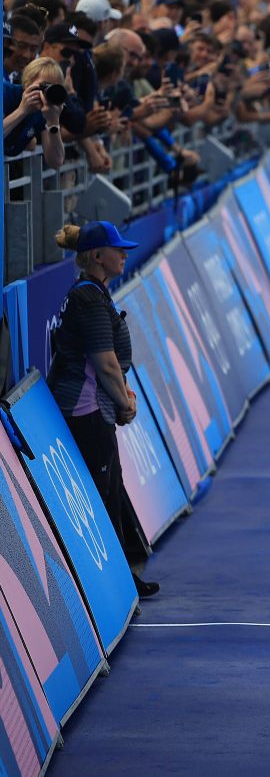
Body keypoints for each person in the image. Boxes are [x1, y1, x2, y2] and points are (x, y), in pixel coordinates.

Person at [47, 221, 159, 599]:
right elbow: (105, 363)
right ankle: (114, 589)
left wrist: (121, 396)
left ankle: (121, 579)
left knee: (111, 490)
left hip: (95, 409)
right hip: (86, 413)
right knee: (104, 495)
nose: (124, 254)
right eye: (118, 249)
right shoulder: (89, 299)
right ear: (97, 257)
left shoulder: (94, 294)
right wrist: (125, 402)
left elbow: (108, 366)